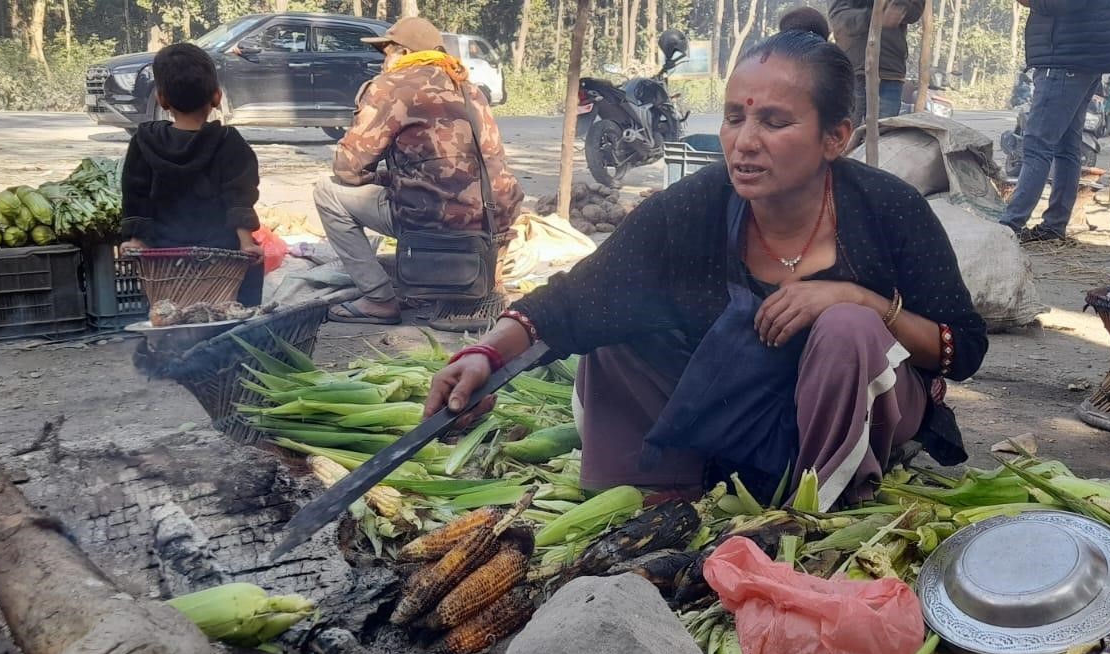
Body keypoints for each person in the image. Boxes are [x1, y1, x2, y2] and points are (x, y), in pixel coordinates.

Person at [423, 27, 988, 510]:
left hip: (860, 410)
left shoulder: (885, 208)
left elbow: (960, 350)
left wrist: (861, 301)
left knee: (847, 327)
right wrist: (486, 353)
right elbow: (579, 298)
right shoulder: (695, 204)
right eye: (734, 117)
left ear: (835, 137)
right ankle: (663, 492)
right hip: (742, 401)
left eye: (774, 121)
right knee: (620, 322)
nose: (745, 142)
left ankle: (820, 506)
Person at [314, 16, 523, 325]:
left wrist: (379, 178)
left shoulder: (392, 86)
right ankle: (472, 280)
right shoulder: (468, 87)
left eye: (386, 52)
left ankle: (378, 299)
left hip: (434, 217)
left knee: (327, 193)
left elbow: (349, 168)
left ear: (401, 53)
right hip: (493, 219)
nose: (384, 61)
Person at [119, 42, 264, 306]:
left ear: (162, 99)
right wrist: (246, 244)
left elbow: (135, 194)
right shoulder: (229, 141)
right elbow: (240, 195)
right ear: (217, 96)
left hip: (164, 255)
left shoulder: (144, 140)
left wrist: (137, 240)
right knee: (246, 290)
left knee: (166, 311)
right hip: (220, 254)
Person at [999, 0, 1110, 244]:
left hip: (1065, 58)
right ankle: (1054, 225)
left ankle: (1011, 224)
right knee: (1066, 147)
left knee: (1036, 146)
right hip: (1082, 58)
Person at [828, 0, 923, 126]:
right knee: (845, 136)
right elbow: (839, 19)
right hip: (855, 70)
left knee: (883, 137)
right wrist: (874, 17)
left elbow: (915, 10)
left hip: (890, 70)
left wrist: (897, 6)